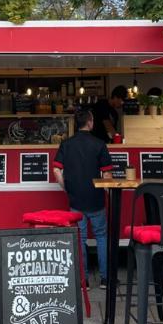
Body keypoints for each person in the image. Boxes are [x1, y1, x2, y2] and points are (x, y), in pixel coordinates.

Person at [53, 108, 113, 287]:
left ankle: (83, 280)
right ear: (90, 122)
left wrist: (67, 189)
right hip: (96, 199)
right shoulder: (99, 144)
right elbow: (107, 176)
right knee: (102, 237)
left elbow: (56, 170)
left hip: (76, 200)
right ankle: (105, 279)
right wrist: (108, 194)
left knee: (80, 239)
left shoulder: (66, 144)